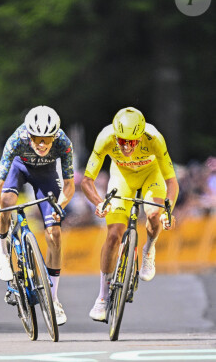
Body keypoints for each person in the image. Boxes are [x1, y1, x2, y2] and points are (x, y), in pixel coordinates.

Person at [81, 107, 179, 322]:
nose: (126, 146)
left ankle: (149, 249)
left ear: (141, 136)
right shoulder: (105, 137)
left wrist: (168, 210)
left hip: (151, 176)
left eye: (132, 142)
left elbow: (171, 180)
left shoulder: (154, 138)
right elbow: (87, 180)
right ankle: (103, 297)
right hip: (121, 179)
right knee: (114, 235)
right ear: (115, 135)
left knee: (154, 213)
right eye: (122, 141)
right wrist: (99, 203)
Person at [0, 105, 75, 326]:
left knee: (54, 234)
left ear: (55, 136)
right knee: (6, 202)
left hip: (46, 175)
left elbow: (69, 185)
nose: (42, 144)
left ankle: (53, 300)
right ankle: (3, 249)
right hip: (19, 169)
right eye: (37, 138)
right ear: (29, 134)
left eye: (47, 139)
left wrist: (59, 205)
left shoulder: (64, 143)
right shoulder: (17, 138)